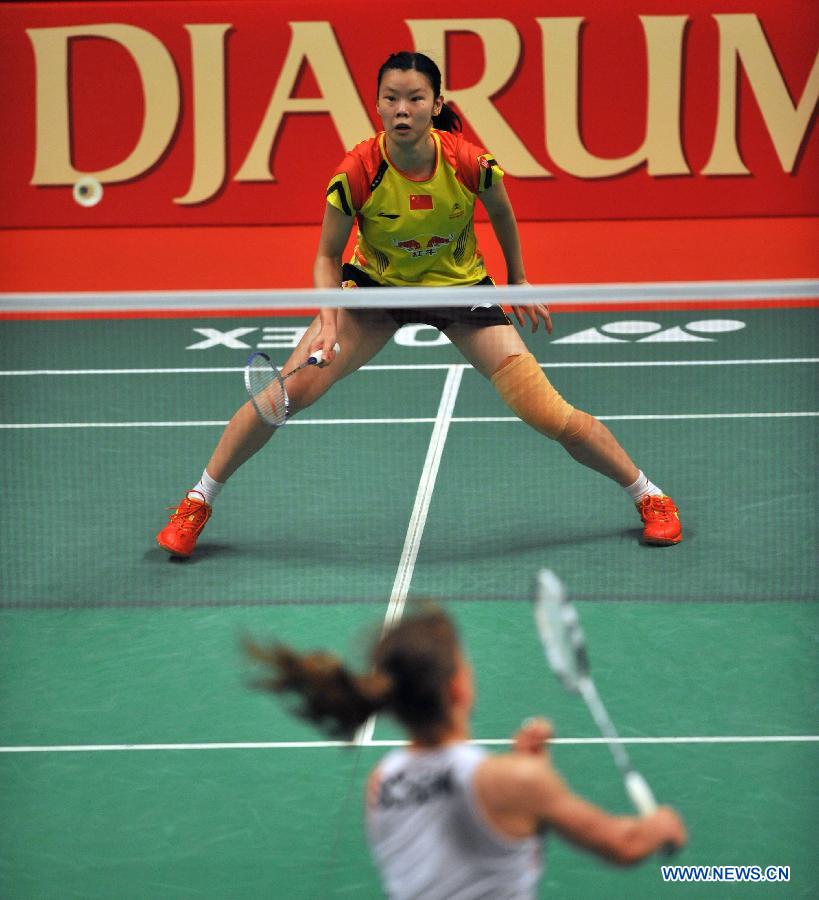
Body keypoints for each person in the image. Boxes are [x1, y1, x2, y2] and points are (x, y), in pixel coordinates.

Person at [156, 51, 682, 557]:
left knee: (547, 413)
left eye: (414, 98)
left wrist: (517, 278)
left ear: (436, 104)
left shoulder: (469, 162)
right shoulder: (359, 170)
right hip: (377, 291)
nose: (402, 109)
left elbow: (502, 212)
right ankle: (198, 501)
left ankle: (648, 494)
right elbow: (326, 256)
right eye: (391, 98)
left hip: (459, 290)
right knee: (284, 396)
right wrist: (327, 318)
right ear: (378, 104)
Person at [246, 606, 687, 899]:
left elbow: (472, 854)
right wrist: (659, 827)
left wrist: (523, 780)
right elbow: (624, 845)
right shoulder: (511, 783)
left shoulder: (382, 783)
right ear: (458, 685)